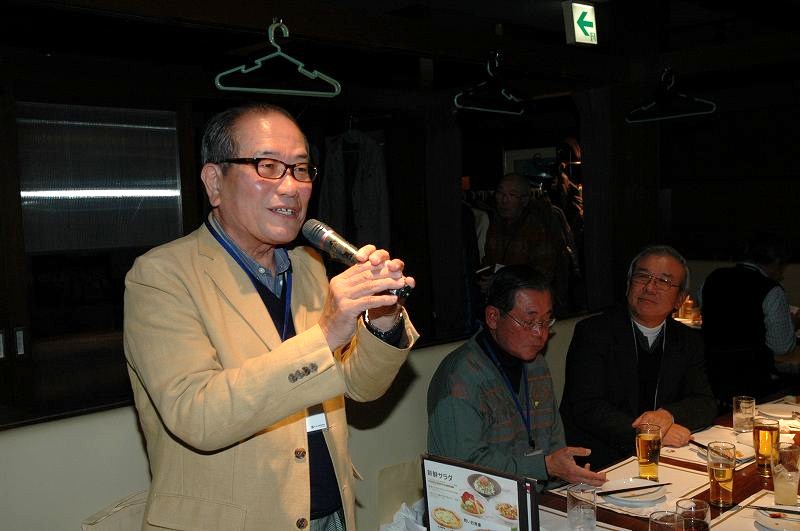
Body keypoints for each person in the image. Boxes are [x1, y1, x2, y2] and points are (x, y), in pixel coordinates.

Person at [123, 103, 418, 531]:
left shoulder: (309, 266)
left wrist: (383, 317)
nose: (291, 187)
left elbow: (361, 386)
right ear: (214, 182)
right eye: (268, 166)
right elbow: (197, 415)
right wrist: (325, 334)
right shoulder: (161, 276)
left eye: (300, 169)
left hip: (332, 514)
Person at [427, 265, 607, 487]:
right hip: (477, 502)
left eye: (546, 322)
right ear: (493, 317)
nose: (540, 334)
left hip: (540, 495)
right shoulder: (459, 378)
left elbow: (555, 442)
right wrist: (544, 466)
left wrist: (566, 473)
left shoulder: (537, 365)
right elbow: (464, 468)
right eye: (529, 322)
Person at [560, 245, 717, 469]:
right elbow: (588, 407)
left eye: (663, 281)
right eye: (642, 276)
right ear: (628, 285)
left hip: (666, 456)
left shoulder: (687, 340)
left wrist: (668, 416)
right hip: (603, 459)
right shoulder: (594, 332)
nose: (650, 287)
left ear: (680, 299)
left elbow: (704, 403)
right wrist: (650, 433)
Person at [700, 234, 800, 404]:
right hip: (753, 382)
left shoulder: (712, 278)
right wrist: (794, 324)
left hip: (711, 375)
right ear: (776, 262)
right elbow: (781, 347)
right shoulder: (771, 289)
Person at [482, 173, 573, 316]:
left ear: (524, 200)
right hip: (505, 304)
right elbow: (490, 260)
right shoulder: (496, 223)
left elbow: (542, 275)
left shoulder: (538, 226)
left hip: (534, 307)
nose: (504, 200)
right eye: (500, 193)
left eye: (512, 195)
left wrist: (502, 281)